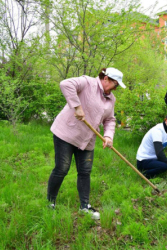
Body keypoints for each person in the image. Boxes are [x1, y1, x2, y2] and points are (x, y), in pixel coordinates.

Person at [47, 67, 126, 219]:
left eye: (117, 86)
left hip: (87, 138)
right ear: (106, 79)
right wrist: (77, 107)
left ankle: (85, 206)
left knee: (85, 171)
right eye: (115, 84)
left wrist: (108, 136)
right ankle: (50, 202)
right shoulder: (87, 82)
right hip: (66, 133)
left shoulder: (111, 99)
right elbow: (65, 84)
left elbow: (110, 119)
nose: (116, 88)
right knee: (62, 168)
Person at [136, 113, 167, 178]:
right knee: (164, 166)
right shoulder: (157, 131)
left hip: (154, 159)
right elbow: (159, 153)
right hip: (144, 161)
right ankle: (145, 175)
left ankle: (162, 171)